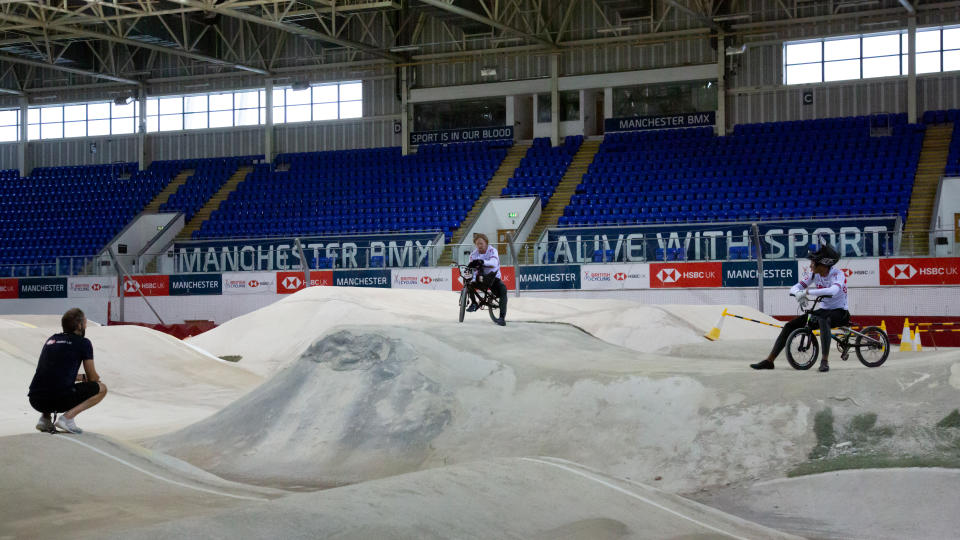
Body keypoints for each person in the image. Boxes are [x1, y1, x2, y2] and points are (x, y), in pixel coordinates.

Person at [751, 243, 849, 373]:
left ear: (823, 264)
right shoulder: (814, 275)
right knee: (789, 326)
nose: (810, 265)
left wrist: (807, 292)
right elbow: (794, 287)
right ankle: (769, 361)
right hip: (823, 311)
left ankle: (824, 361)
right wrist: (798, 293)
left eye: (813, 263)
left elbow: (832, 291)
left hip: (840, 312)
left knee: (823, 320)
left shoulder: (838, 274)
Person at [28, 308, 107, 433]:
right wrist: (94, 379)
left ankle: (45, 419)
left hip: (35, 399)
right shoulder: (84, 343)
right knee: (102, 388)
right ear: (79, 325)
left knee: (51, 381)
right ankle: (67, 419)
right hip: (59, 400)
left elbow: (55, 371)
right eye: (85, 323)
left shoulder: (51, 339)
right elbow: (93, 378)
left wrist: (80, 377)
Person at [465, 233, 508, 326]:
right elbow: (472, 269)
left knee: (503, 290)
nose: (479, 246)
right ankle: (473, 303)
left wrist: (482, 262)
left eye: (481, 243)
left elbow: (494, 263)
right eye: (477, 244)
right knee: (469, 284)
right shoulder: (473, 255)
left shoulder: (492, 251)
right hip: (480, 278)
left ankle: (501, 317)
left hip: (493, 278)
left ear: (486, 243)